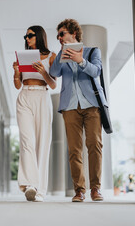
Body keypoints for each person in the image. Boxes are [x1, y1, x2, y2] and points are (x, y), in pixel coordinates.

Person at [49, 19, 107, 202]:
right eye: (58, 35)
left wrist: (80, 60)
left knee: (94, 145)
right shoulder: (61, 55)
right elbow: (54, 72)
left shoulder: (92, 51)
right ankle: (79, 190)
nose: (59, 37)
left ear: (74, 33)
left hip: (91, 105)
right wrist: (61, 54)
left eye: (62, 33)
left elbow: (96, 71)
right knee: (74, 150)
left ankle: (95, 189)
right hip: (70, 106)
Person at [13, 25, 56, 202]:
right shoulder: (23, 57)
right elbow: (17, 84)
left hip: (42, 96)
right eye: (26, 36)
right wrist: (16, 72)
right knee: (27, 141)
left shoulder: (51, 56)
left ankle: (41, 190)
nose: (27, 38)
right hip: (24, 96)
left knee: (42, 143)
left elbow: (53, 84)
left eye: (30, 35)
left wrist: (43, 72)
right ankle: (30, 184)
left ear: (39, 36)